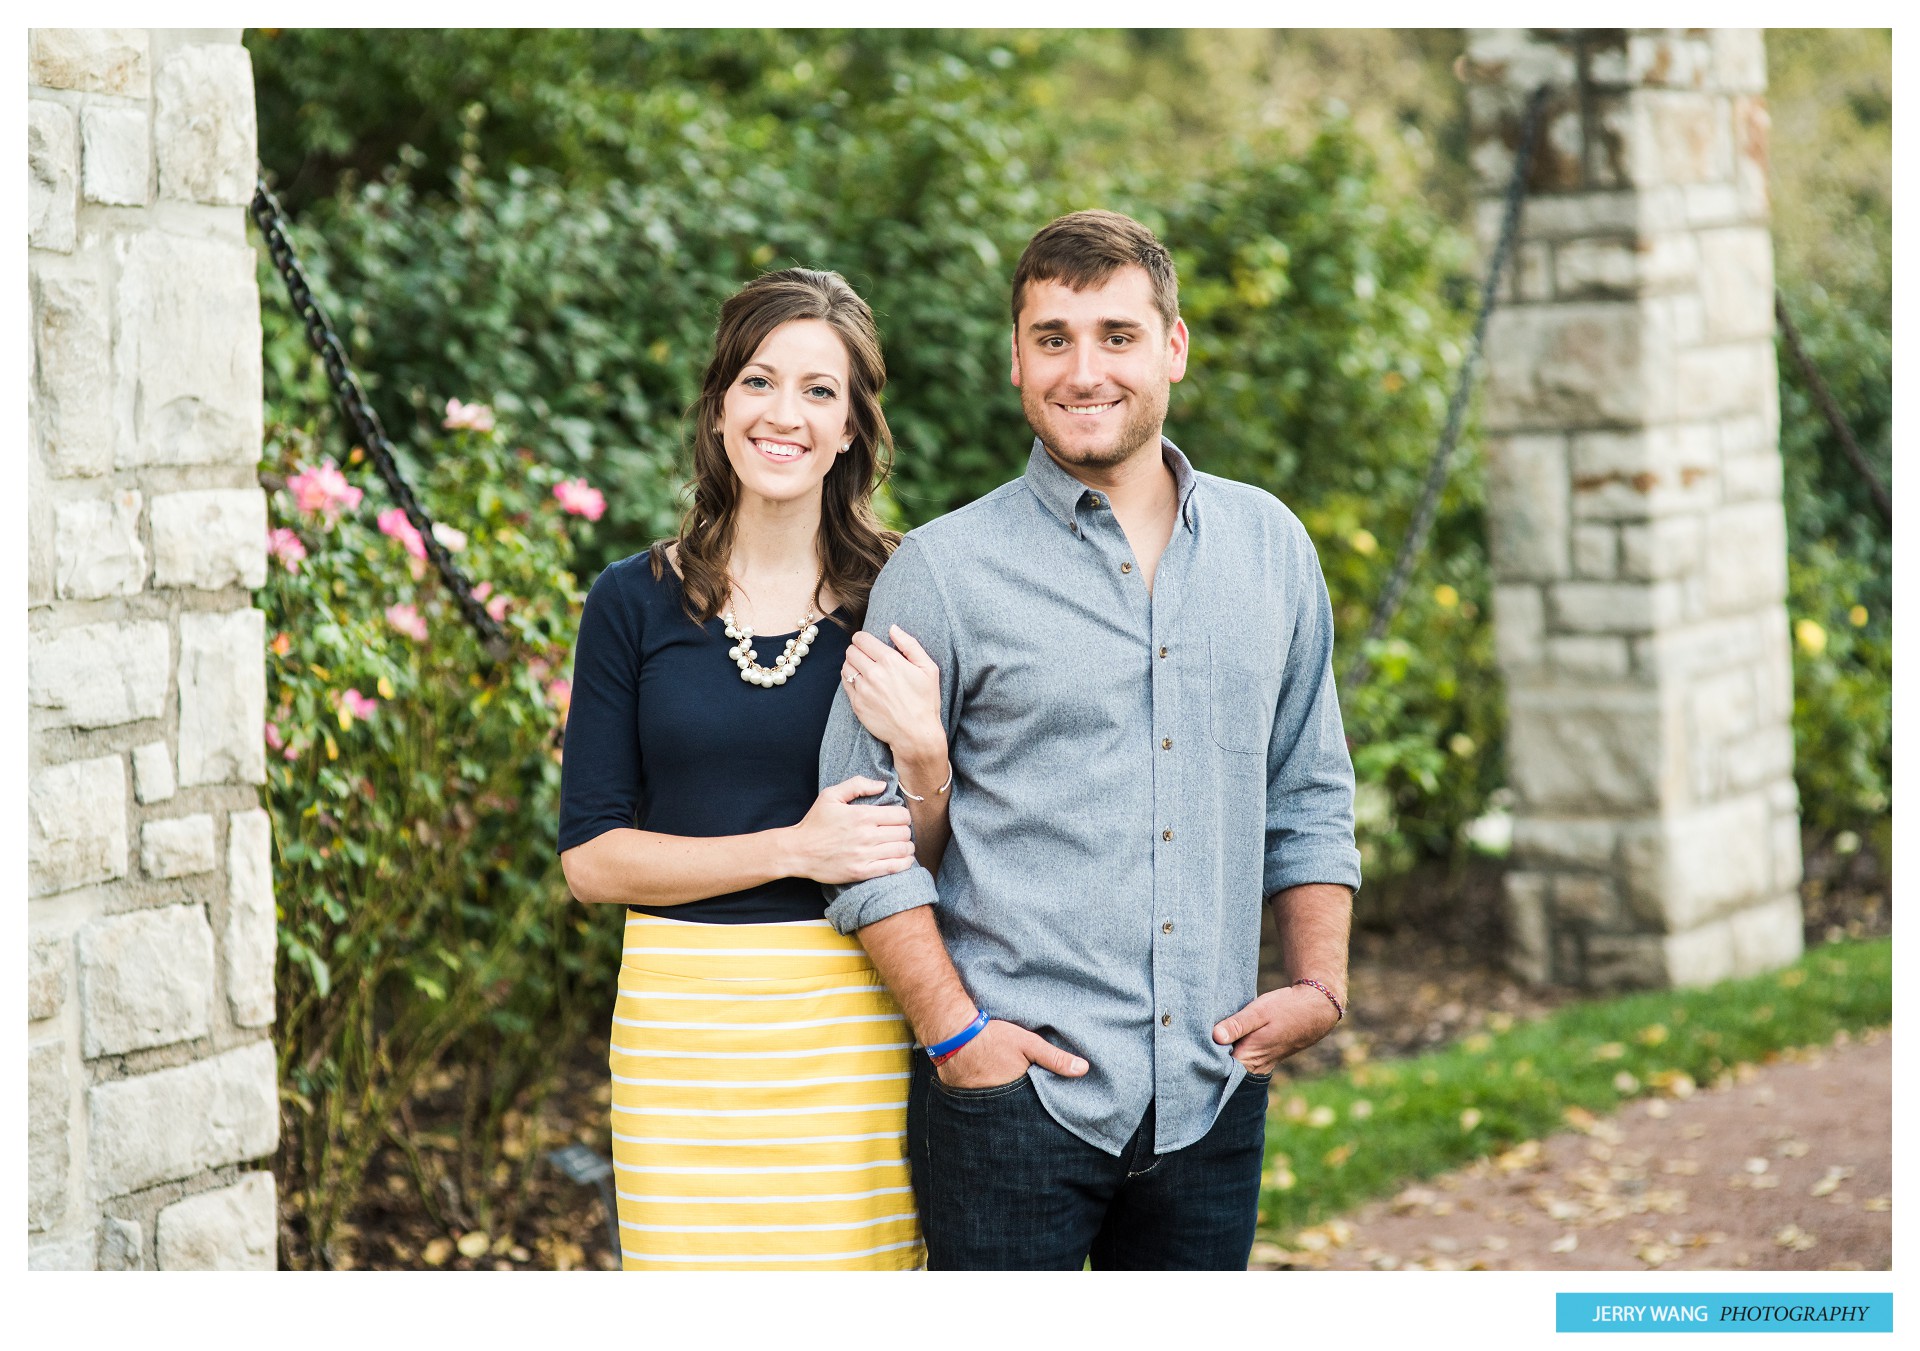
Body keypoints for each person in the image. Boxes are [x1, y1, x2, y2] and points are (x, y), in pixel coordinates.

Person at [817, 210, 1363, 1270]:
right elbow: (860, 834)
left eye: (1116, 334)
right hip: (1010, 1102)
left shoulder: (1272, 550)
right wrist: (958, 1037)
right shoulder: (943, 572)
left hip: (1211, 1093)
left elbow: (1309, 791)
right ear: (1015, 359)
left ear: (1174, 347)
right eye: (1053, 337)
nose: (1084, 370)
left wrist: (1319, 987)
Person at [557, 268, 953, 1271]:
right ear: (721, 404)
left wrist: (927, 761)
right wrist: (795, 845)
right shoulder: (630, 602)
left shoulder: (904, 597)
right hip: (680, 1022)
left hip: (849, 1013)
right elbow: (593, 862)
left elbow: (937, 856)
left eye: (820, 391)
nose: (786, 414)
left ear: (855, 425)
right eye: (760, 382)